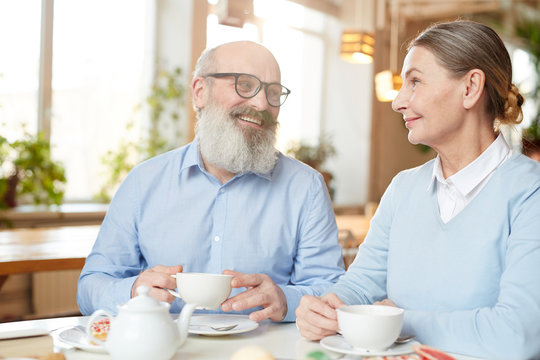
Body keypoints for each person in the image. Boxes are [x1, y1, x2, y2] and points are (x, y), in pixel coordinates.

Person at [296, 20, 540, 359]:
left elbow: (517, 335)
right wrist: (328, 308)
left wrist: (396, 320)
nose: (398, 102)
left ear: (470, 88)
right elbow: (361, 286)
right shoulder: (403, 188)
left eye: (415, 82)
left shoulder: (531, 192)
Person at [77, 41, 345, 322]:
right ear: (200, 92)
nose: (262, 104)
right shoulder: (143, 182)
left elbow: (332, 290)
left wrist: (285, 301)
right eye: (244, 85)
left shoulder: (306, 187)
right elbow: (90, 288)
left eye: (274, 92)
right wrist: (132, 292)